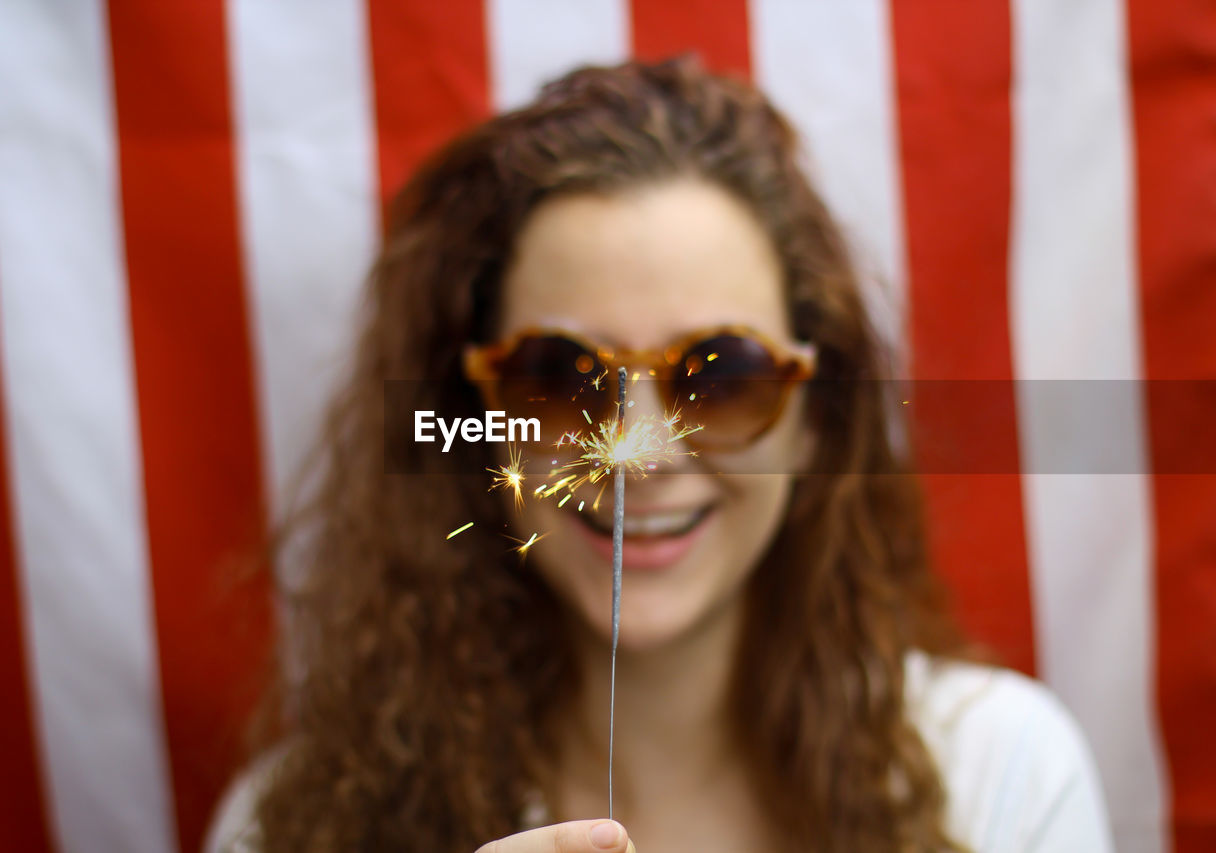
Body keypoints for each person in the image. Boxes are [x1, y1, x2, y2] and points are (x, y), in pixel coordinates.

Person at [206, 57, 1113, 852]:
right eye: (561, 374)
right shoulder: (294, 822)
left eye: (722, 379)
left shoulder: (1003, 781)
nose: (637, 454)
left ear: (814, 421)